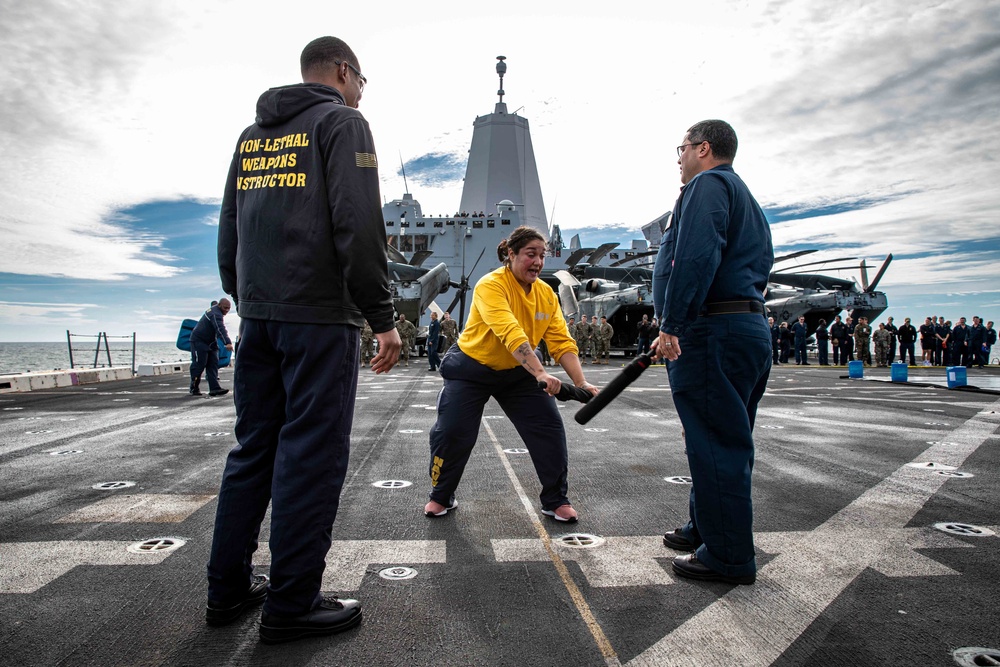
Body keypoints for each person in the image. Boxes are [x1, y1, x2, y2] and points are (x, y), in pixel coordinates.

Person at [209, 36, 402, 644]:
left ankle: (228, 589)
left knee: (252, 452)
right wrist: (381, 315)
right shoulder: (345, 123)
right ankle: (292, 604)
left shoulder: (253, 136)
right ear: (345, 72)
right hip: (319, 318)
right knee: (310, 458)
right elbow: (359, 222)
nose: (362, 91)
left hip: (260, 316)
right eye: (362, 80)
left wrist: (245, 296)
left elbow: (230, 226)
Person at [651, 119, 772, 586]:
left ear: (702, 148)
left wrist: (673, 324)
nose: (678, 158)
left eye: (680, 148)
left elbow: (695, 257)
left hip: (711, 330)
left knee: (716, 441)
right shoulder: (745, 197)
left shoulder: (706, 185)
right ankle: (704, 527)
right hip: (744, 327)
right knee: (719, 435)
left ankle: (727, 556)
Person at [423, 226, 598, 522]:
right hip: (472, 368)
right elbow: (510, 332)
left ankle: (555, 499)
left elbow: (560, 340)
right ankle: (441, 495)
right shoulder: (491, 285)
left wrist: (581, 383)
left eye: (542, 255)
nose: (538, 262)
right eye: (531, 254)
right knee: (452, 432)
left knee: (549, 429)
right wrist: (542, 374)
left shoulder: (545, 294)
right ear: (511, 254)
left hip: (519, 374)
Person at [189, 298, 233, 397]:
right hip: (199, 341)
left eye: (229, 309)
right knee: (199, 365)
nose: (227, 310)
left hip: (211, 343)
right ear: (220, 305)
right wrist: (227, 343)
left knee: (213, 364)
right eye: (225, 308)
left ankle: (214, 388)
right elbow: (220, 328)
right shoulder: (215, 314)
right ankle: (194, 387)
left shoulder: (217, 311)